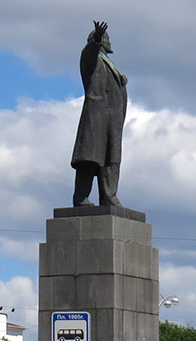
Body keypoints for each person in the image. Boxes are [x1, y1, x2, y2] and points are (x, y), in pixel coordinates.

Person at [71, 20, 127, 207]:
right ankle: (81, 198)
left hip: (112, 120)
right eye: (106, 38)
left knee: (111, 160)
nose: (109, 41)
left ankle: (109, 196)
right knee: (90, 159)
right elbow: (88, 55)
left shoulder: (111, 65)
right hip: (96, 117)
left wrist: (120, 80)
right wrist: (95, 40)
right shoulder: (92, 60)